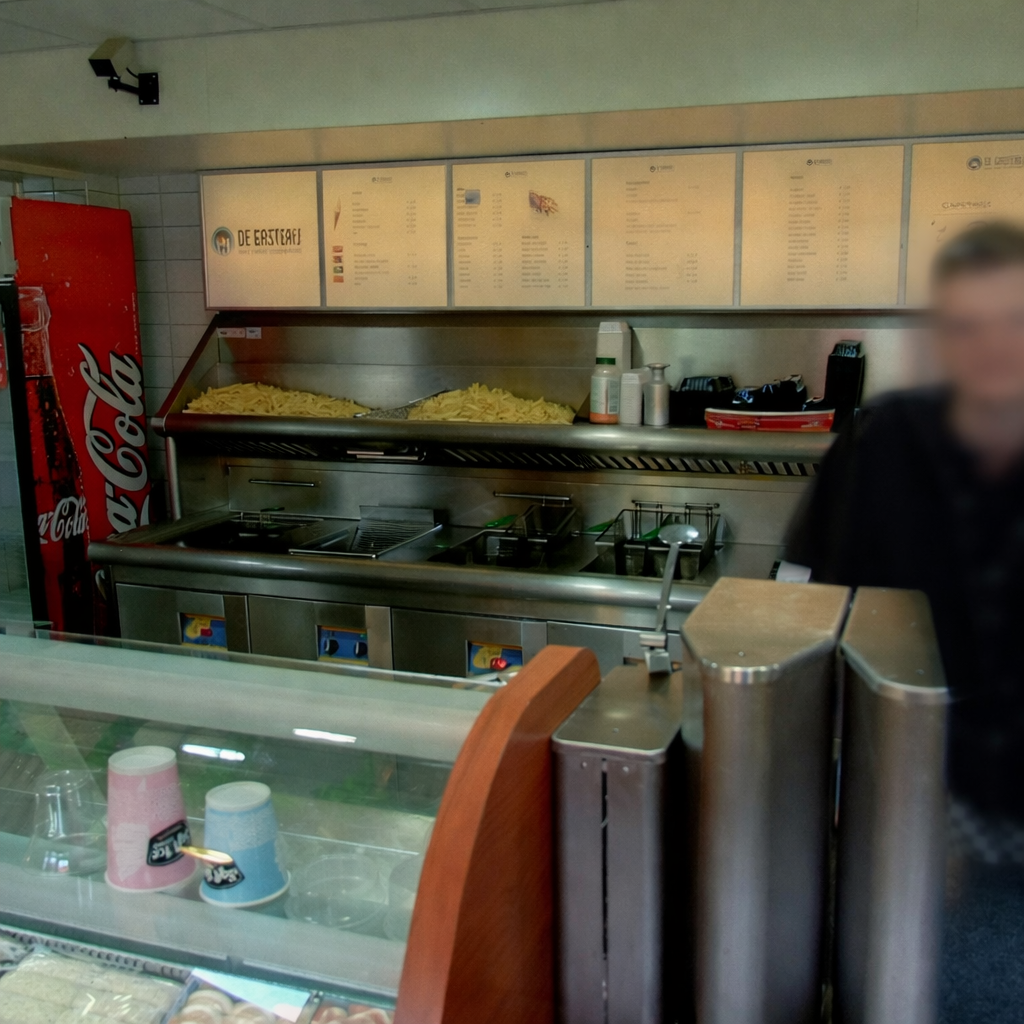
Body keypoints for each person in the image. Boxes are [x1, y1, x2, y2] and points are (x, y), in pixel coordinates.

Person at [785, 220, 1024, 1023]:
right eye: (969, 325)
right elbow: (804, 596)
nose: (993, 347)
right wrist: (820, 773)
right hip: (903, 797)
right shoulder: (885, 439)